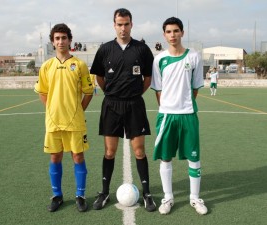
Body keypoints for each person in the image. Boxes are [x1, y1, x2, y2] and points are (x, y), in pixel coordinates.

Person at [90, 8, 156, 212]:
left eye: (126, 24)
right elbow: (99, 78)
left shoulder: (142, 49)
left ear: (131, 24)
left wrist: (134, 93)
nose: (123, 28)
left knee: (139, 151)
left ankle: (147, 194)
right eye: (119, 24)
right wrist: (111, 93)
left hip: (135, 104)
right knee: (109, 151)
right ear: (114, 25)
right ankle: (104, 192)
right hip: (111, 104)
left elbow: (147, 79)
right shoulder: (105, 49)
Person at [151, 17, 208, 215]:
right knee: (165, 158)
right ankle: (168, 197)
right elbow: (158, 90)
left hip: (188, 115)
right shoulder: (159, 59)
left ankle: (194, 198)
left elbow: (195, 88)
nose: (172, 35)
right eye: (168, 31)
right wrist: (168, 106)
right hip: (167, 115)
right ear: (164, 35)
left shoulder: (194, 56)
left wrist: (184, 105)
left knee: (194, 157)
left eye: (176, 31)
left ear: (182, 32)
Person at [34, 23, 94, 213]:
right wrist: (51, 110)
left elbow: (88, 92)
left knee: (77, 156)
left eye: (64, 38)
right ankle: (57, 195)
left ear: (70, 40)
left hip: (75, 122)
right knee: (55, 157)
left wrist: (79, 111)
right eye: (57, 38)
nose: (61, 41)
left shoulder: (80, 65)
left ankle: (80, 195)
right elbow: (42, 92)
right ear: (52, 42)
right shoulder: (46, 66)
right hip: (53, 122)